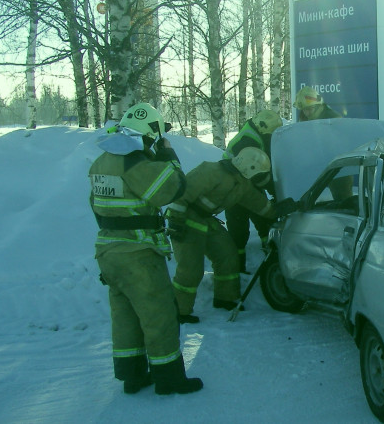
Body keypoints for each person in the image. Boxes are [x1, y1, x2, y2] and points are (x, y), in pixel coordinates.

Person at [89, 102, 203, 396]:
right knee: (159, 314)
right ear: (151, 132)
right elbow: (172, 189)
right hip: (137, 253)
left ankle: (133, 376)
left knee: (125, 316)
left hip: (108, 252)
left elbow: (96, 206)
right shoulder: (135, 162)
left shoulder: (102, 161)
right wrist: (169, 157)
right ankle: (169, 379)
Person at [168, 147, 277, 320]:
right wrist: (175, 220)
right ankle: (179, 311)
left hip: (206, 220)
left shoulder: (242, 184)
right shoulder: (211, 170)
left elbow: (258, 203)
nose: (259, 178)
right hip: (186, 219)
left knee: (227, 255)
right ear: (250, 168)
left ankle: (225, 298)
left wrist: (278, 211)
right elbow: (182, 193)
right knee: (191, 268)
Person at [222, 110, 282, 274]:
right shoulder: (247, 141)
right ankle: (238, 271)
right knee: (239, 231)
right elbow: (258, 176)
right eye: (270, 134)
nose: (271, 137)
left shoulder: (257, 133)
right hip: (234, 188)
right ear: (263, 128)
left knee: (265, 220)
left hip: (247, 185)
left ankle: (271, 257)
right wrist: (275, 190)